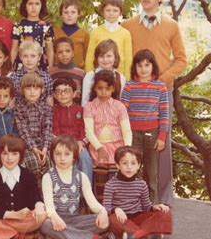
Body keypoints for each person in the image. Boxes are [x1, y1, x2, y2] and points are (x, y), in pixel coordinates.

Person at [122, 0, 187, 206]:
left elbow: (181, 60)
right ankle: (131, 198)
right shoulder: (126, 25)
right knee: (131, 145)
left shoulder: (171, 25)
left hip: (160, 92)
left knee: (161, 147)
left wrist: (158, 82)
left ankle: (162, 200)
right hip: (134, 94)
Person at [40, 135, 116, 239]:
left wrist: (103, 211)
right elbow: (49, 207)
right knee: (45, 225)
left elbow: (92, 203)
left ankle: (59, 236)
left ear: (74, 157)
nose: (62, 158)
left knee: (104, 222)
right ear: (52, 156)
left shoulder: (81, 177)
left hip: (75, 219)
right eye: (58, 154)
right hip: (55, 218)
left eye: (67, 154)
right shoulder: (48, 177)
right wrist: (54, 217)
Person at [121, 49, 169, 204]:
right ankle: (135, 203)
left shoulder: (160, 87)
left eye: (147, 65)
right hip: (133, 133)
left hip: (152, 134)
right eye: (139, 65)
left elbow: (164, 114)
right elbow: (123, 111)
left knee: (152, 170)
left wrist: (162, 137)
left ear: (153, 66)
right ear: (134, 67)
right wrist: (124, 134)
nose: (143, 69)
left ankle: (153, 203)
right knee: (134, 168)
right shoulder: (129, 86)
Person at [103, 146, 172, 239]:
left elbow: (146, 206)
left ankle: (135, 234)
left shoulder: (141, 184)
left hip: (138, 217)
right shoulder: (110, 185)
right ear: (118, 165)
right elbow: (105, 208)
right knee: (112, 220)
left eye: (133, 163)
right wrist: (116, 209)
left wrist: (155, 207)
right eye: (124, 163)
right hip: (122, 219)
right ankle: (149, 231)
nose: (129, 167)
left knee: (165, 212)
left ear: (138, 165)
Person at [84, 70, 132, 201]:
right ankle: (100, 202)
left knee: (117, 173)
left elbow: (126, 130)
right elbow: (89, 131)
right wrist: (99, 147)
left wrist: (127, 148)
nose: (103, 92)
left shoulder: (119, 106)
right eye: (100, 88)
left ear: (113, 89)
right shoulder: (89, 107)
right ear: (95, 88)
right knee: (100, 174)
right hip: (98, 147)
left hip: (117, 146)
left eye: (107, 88)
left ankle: (119, 202)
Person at [13, 72, 52, 192]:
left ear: (42, 90)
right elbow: (23, 131)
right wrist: (34, 149)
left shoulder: (46, 108)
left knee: (47, 166)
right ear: (22, 90)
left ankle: (49, 198)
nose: (32, 92)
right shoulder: (19, 108)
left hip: (43, 144)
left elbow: (48, 128)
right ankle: (36, 197)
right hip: (27, 146)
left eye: (36, 88)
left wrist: (45, 148)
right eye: (28, 88)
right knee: (34, 166)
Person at [52, 77, 93, 184]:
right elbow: (54, 130)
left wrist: (81, 142)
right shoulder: (53, 111)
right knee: (63, 157)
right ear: (55, 95)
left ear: (74, 94)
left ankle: (86, 191)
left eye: (67, 91)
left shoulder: (81, 110)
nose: (62, 94)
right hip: (61, 145)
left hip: (79, 144)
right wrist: (65, 144)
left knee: (84, 157)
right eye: (59, 91)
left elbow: (85, 129)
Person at [85, 0, 132, 78]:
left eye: (115, 10)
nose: (111, 13)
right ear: (102, 12)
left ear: (120, 12)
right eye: (108, 10)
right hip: (99, 77)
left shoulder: (125, 33)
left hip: (118, 77)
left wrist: (127, 80)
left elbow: (128, 59)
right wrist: (89, 76)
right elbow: (90, 57)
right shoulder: (95, 32)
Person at [11, 0, 54, 71]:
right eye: (30, 3)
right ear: (25, 6)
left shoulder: (47, 27)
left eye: (37, 4)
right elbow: (14, 49)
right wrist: (13, 67)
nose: (33, 7)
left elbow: (50, 50)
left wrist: (50, 69)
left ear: (42, 6)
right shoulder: (18, 26)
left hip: (41, 66)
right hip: (21, 66)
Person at [81, 39, 125, 106]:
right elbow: (85, 101)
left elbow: (121, 102)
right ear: (97, 58)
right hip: (93, 115)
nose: (105, 60)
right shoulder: (90, 76)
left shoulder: (120, 77)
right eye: (101, 56)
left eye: (109, 56)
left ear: (115, 57)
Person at [9, 40, 53, 105]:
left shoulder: (46, 77)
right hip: (19, 114)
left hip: (41, 114)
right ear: (20, 57)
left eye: (33, 56)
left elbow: (49, 101)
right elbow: (11, 102)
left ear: (39, 57)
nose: (29, 60)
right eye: (25, 56)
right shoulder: (14, 77)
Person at [53, 0, 90, 69]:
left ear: (79, 14)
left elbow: (87, 56)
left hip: (79, 73)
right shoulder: (54, 32)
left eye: (73, 12)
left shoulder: (85, 34)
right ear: (61, 15)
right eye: (66, 12)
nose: (69, 15)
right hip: (58, 72)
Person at [48, 37, 85, 104]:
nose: (64, 54)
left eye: (67, 51)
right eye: (60, 52)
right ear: (55, 55)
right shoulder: (49, 73)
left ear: (73, 53)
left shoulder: (81, 74)